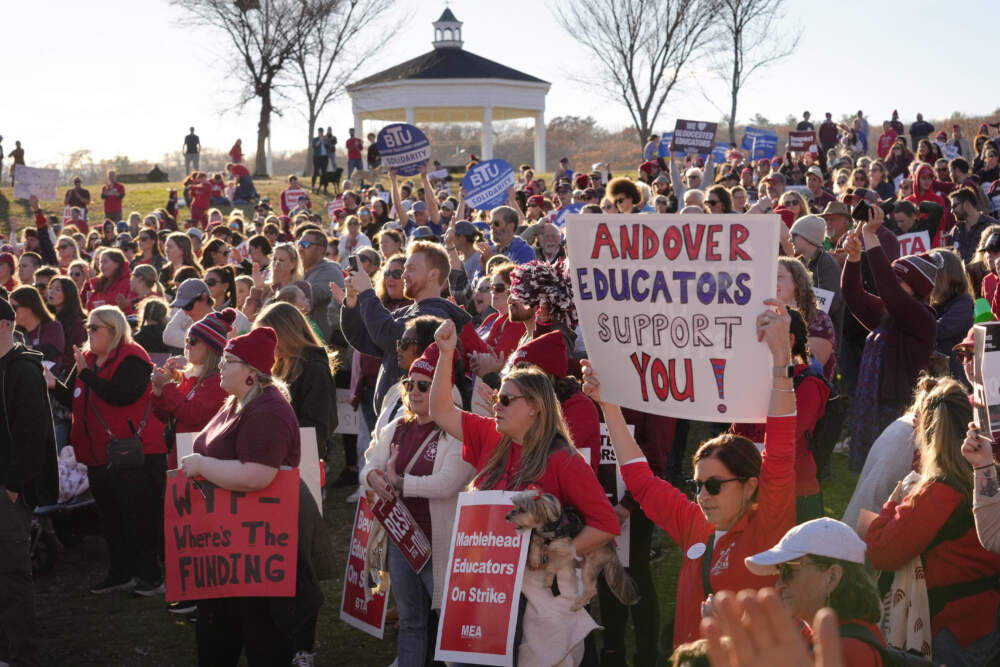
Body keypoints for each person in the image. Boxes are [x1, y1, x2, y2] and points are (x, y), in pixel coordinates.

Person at [581, 300, 797, 646]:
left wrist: (782, 359)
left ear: (750, 485)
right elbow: (641, 480)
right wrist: (608, 405)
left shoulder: (768, 526)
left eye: (714, 485)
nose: (703, 496)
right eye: (697, 485)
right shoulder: (696, 523)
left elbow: (782, 453)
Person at [428, 319, 619, 659]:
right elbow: (441, 411)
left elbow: (606, 525)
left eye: (505, 399)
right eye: (497, 398)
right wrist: (446, 354)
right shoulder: (490, 436)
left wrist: (553, 555)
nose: (495, 405)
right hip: (479, 586)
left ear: (534, 406)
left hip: (529, 599)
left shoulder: (562, 459)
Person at [178, 327, 310, 666]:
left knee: (262, 643)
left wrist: (203, 466)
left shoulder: (267, 411)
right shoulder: (238, 402)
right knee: (217, 643)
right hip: (230, 550)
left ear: (251, 372)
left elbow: (257, 475)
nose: (220, 365)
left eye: (228, 360)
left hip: (256, 557)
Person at [865, 378, 1000, 665]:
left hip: (948, 630)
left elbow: (882, 550)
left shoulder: (937, 493)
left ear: (927, 434)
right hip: (987, 619)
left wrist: (892, 503)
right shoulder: (989, 478)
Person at [361, 342, 474, 667]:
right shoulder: (397, 427)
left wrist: (398, 482)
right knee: (410, 622)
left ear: (442, 391)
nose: (415, 391)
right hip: (403, 541)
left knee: (449, 622)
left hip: (442, 544)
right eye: (410, 384)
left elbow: (448, 483)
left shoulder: (458, 431)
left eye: (424, 386)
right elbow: (370, 465)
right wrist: (373, 479)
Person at [45, 305, 166, 596]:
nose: (89, 332)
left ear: (114, 330)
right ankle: (120, 573)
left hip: (133, 453)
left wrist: (86, 375)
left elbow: (122, 395)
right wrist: (53, 385)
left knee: (138, 516)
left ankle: (150, 576)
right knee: (111, 517)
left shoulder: (133, 357)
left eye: (94, 327)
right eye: (88, 326)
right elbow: (75, 398)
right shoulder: (87, 359)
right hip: (98, 454)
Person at [841, 207, 938, 471]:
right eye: (892, 280)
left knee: (893, 471)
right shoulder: (889, 314)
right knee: (874, 471)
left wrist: (870, 236)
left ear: (916, 289)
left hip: (900, 408)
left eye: (898, 281)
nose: (890, 286)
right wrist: (854, 258)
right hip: (875, 403)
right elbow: (853, 296)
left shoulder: (922, 318)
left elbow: (889, 290)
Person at [340, 240, 471, 412]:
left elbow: (388, 335)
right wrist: (352, 301)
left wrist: (366, 291)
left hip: (413, 417)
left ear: (433, 275)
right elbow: (363, 337)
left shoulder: (437, 316)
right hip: (393, 417)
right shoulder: (406, 312)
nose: (403, 275)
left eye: (411, 269)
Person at [0, 297, 59, 667]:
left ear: (3, 326)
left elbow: (32, 435)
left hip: (8, 489)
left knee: (11, 573)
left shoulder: (22, 370)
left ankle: (19, 654)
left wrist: (13, 487)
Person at [745, 518, 885, 666]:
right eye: (779, 571)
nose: (778, 584)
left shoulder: (845, 651)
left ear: (831, 577)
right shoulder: (837, 638)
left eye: (788, 570)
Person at [9, 286, 65, 371]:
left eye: (14, 308)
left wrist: (23, 350)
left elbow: (50, 351)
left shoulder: (53, 326)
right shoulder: (16, 330)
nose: (11, 312)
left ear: (29, 307)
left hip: (48, 376)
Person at [86, 249, 135, 315]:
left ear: (117, 264)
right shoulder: (98, 284)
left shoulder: (130, 282)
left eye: (105, 262)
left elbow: (134, 311)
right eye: (100, 262)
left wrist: (125, 307)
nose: (101, 266)